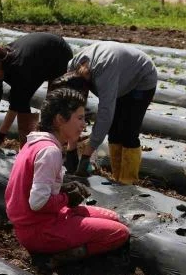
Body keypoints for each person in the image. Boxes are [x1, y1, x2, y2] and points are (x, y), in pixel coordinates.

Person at [5, 88, 129, 265]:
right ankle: (63, 257)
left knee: (114, 217)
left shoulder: (35, 143)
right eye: (79, 118)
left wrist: (63, 190)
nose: (84, 125)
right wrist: (65, 198)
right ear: (60, 119)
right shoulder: (49, 152)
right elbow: (37, 203)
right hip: (40, 230)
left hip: (39, 222)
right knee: (119, 233)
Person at [54, 41, 157, 184]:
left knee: (128, 131)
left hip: (141, 79)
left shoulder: (104, 74)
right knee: (114, 132)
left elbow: (105, 113)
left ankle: (128, 182)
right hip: (120, 76)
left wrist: (86, 155)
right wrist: (71, 147)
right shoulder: (73, 67)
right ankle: (117, 178)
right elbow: (75, 109)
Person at [0, 32, 73, 149]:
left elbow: (17, 103)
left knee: (52, 106)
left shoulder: (20, 68)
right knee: (18, 100)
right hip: (37, 56)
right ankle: (30, 145)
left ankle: (51, 146)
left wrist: (1, 134)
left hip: (58, 55)